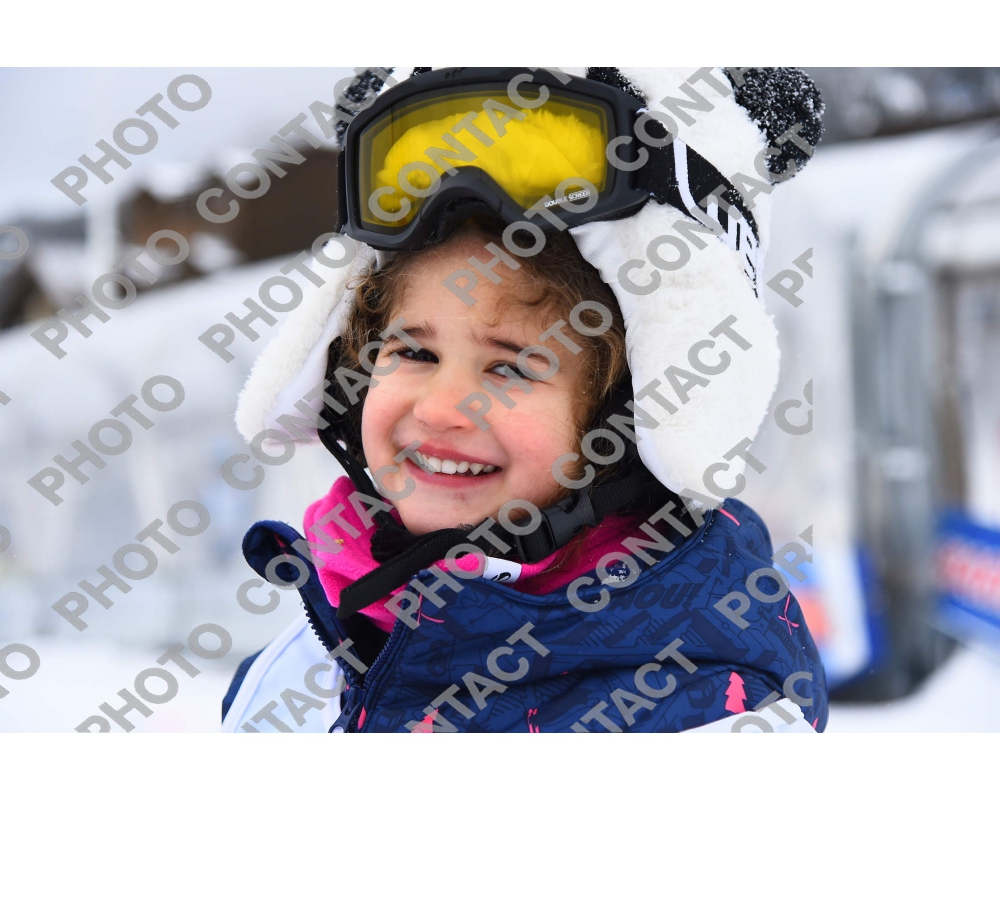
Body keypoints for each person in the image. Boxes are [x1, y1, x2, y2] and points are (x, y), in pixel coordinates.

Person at [222, 67, 828, 733]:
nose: (440, 408)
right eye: (414, 353)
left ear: (628, 418)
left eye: (510, 368)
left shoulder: (708, 716)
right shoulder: (298, 669)